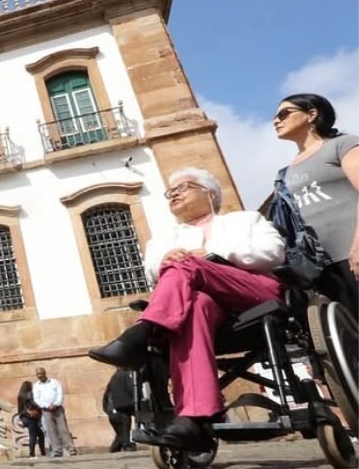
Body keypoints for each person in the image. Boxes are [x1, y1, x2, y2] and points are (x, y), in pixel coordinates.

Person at [89, 167, 284, 449]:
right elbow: (152, 271)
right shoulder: (166, 237)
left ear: (210, 193)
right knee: (195, 306)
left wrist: (212, 257)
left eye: (184, 187)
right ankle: (194, 416)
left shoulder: (245, 220)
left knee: (184, 265)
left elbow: (274, 252)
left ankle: (143, 332)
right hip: (203, 308)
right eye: (170, 192)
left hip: (252, 293)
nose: (174, 195)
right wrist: (164, 259)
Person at [273, 93, 358, 313]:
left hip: (353, 251)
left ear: (312, 114)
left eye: (284, 113)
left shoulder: (343, 145)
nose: (276, 121)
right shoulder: (285, 173)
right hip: (324, 270)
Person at [31, 367, 75, 457]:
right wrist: (47, 405)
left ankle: (71, 448)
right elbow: (37, 399)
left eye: (40, 373)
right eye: (37, 374)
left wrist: (56, 403)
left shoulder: (54, 382)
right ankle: (57, 450)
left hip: (57, 408)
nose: (39, 375)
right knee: (51, 430)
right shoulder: (36, 386)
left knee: (63, 429)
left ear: (44, 373)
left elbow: (60, 394)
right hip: (46, 409)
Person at [102, 368, 138, 453]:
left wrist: (106, 410)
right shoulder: (126, 375)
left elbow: (106, 395)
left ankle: (115, 448)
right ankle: (127, 446)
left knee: (120, 433)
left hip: (112, 411)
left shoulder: (113, 378)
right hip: (122, 410)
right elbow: (131, 390)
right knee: (124, 431)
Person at [16, 380, 46, 458]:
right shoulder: (29, 394)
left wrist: (21, 417)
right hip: (31, 418)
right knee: (33, 436)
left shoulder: (20, 396)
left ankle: (42, 453)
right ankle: (32, 454)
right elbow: (34, 404)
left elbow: (19, 409)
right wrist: (41, 408)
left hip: (24, 417)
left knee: (40, 434)